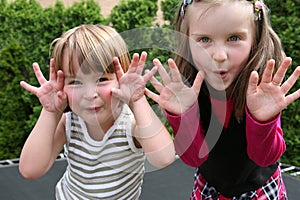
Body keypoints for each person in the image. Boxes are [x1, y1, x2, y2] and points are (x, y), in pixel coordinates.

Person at [145, 0, 300, 199]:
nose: (218, 56)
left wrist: (263, 121)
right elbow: (193, 158)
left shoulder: (263, 90)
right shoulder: (188, 89)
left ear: (256, 38)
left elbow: (265, 158)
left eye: (234, 38)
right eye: (204, 39)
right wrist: (183, 115)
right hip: (209, 187)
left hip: (259, 189)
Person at [19, 24, 175, 199]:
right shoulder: (69, 121)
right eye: (76, 82)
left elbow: (164, 158)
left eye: (101, 79)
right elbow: (30, 169)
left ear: (121, 77)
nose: (89, 94)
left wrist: (137, 100)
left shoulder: (129, 125)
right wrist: (51, 112)